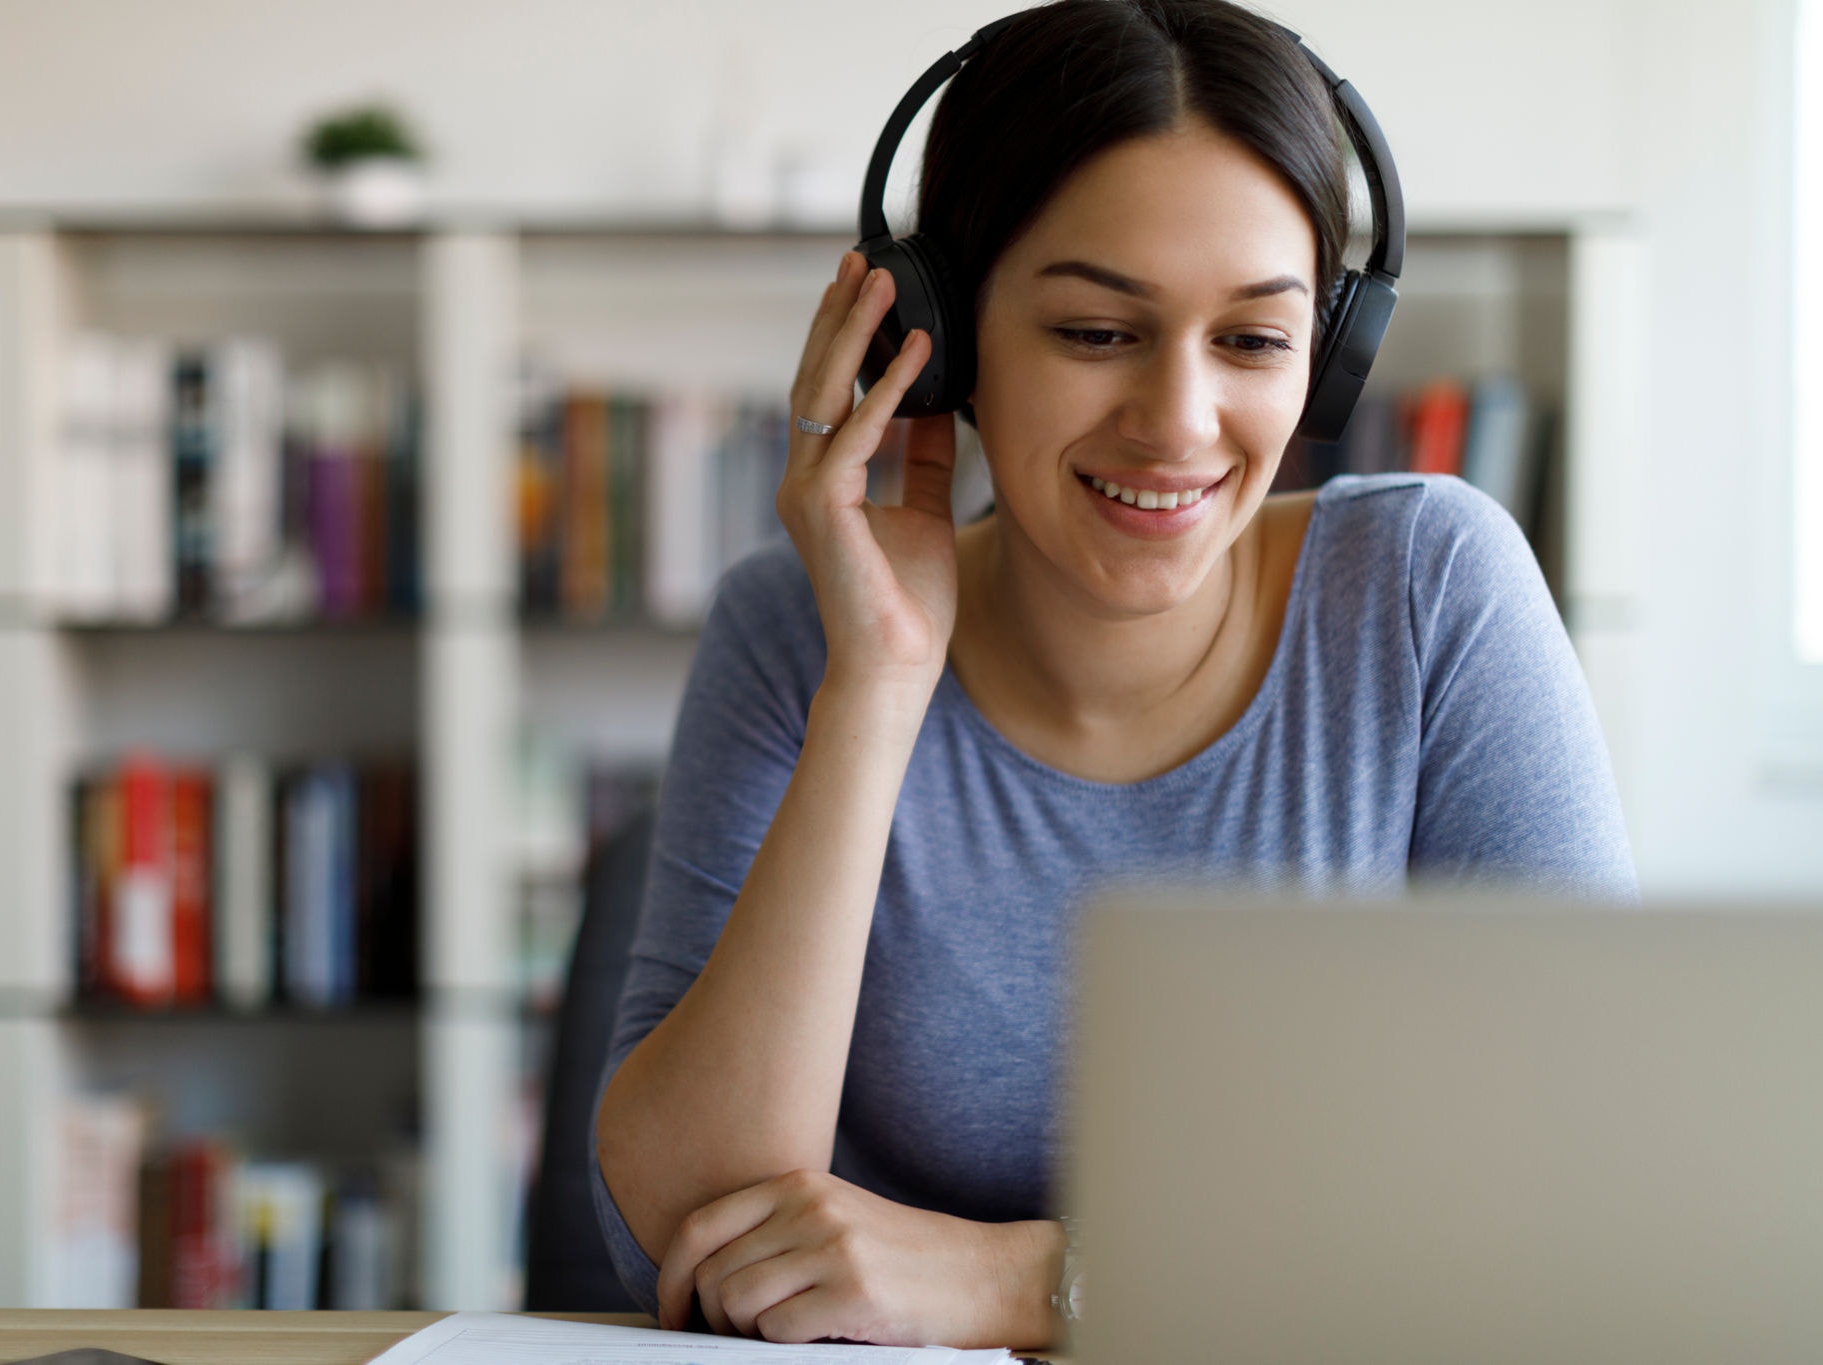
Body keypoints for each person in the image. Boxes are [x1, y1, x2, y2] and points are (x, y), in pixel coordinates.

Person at [592, 0, 1636, 1350]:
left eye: (1254, 340)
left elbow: (1598, 1194)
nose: (1180, 423)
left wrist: (1037, 1282)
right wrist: (881, 684)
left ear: (1329, 357)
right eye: (1097, 332)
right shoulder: (799, 630)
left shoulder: (1430, 598)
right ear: (944, 344)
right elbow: (678, 1240)